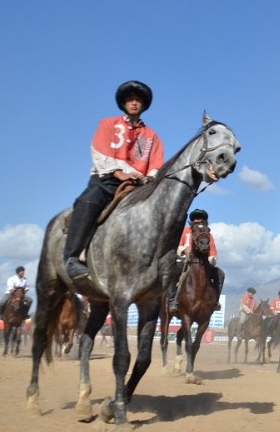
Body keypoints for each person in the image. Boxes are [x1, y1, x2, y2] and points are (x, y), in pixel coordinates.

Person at [63, 81, 165, 281]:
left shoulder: (151, 136)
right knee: (88, 201)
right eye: (130, 100)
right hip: (107, 180)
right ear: (124, 103)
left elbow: (156, 163)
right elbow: (100, 152)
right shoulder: (108, 124)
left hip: (138, 186)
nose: (134, 103)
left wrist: (150, 179)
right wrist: (119, 174)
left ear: (143, 105)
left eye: (138, 100)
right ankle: (72, 258)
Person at [168, 208, 224, 313]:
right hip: (185, 260)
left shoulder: (209, 235)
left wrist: (210, 260)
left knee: (220, 274)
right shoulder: (185, 231)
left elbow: (213, 253)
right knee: (173, 271)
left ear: (205, 222)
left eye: (201, 219)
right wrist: (184, 249)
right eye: (196, 219)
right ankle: (172, 300)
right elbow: (178, 247)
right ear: (192, 221)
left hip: (203, 263)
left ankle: (215, 301)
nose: (198, 221)